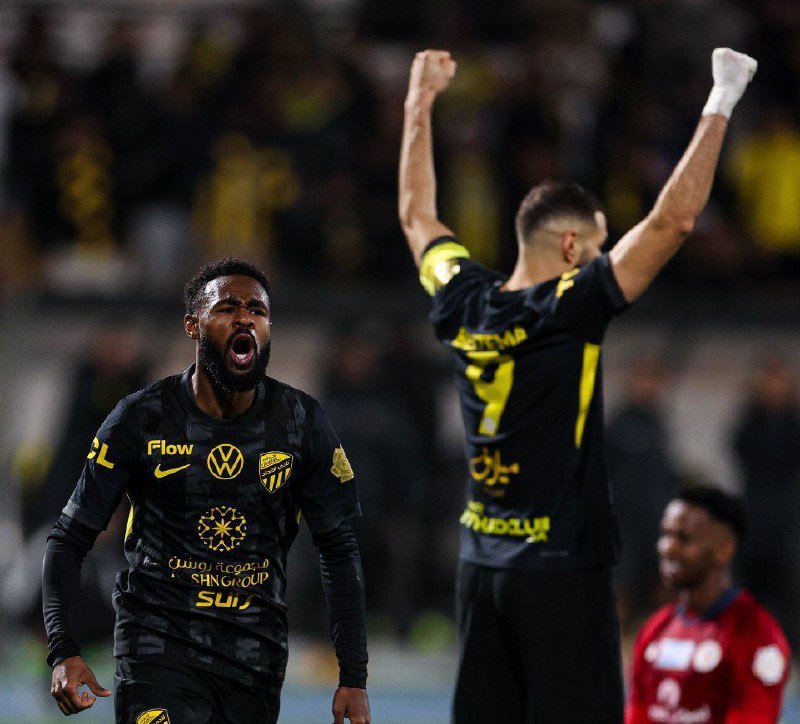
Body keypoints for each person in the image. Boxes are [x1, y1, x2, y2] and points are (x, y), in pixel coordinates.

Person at [398, 47, 757, 723]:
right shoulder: (569, 305)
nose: (600, 260)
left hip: (481, 568)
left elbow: (417, 216)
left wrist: (420, 101)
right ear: (570, 249)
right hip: (559, 570)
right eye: (595, 249)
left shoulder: (463, 299)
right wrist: (723, 96)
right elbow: (674, 223)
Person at [42, 258, 370, 724]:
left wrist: (353, 675)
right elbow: (68, 538)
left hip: (254, 666)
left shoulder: (300, 422)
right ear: (192, 326)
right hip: (157, 654)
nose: (245, 318)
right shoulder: (141, 418)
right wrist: (62, 648)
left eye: (257, 310)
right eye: (227, 308)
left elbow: (339, 549)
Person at [626, 487, 790, 723]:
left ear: (724, 549)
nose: (668, 547)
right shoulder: (656, 630)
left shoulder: (754, 635)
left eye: (684, 538)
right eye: (665, 534)